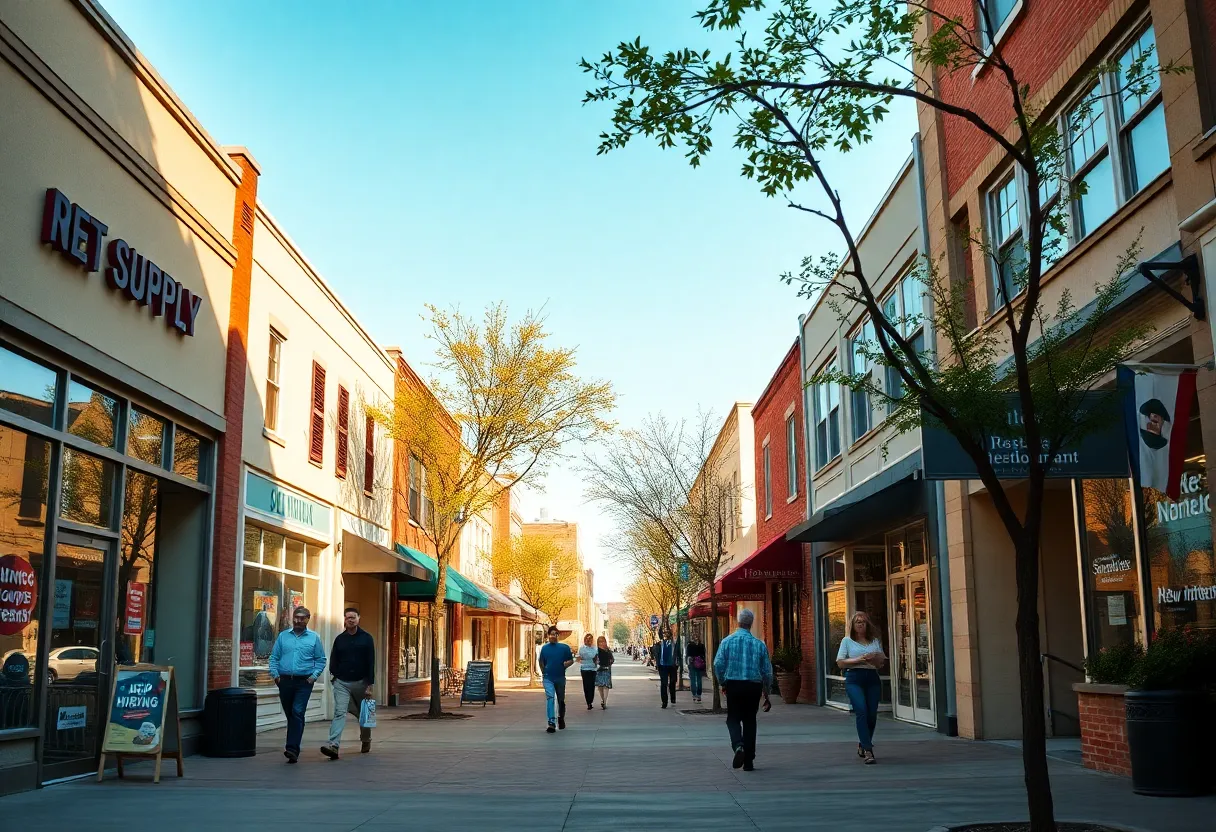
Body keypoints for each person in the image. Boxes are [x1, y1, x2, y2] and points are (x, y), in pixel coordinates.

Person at [713, 608, 772, 772]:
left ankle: (738, 745)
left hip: (734, 685)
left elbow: (718, 664)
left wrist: (723, 682)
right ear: (751, 623)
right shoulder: (759, 644)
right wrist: (767, 691)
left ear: (737, 622)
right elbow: (767, 671)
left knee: (732, 719)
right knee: (750, 721)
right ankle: (749, 761)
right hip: (753, 686)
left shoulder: (727, 642)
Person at [269, 606, 327, 764]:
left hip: (304, 682)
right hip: (285, 680)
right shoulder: (283, 637)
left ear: (308, 619)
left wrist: (313, 677)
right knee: (292, 714)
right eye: (296, 617)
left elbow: (321, 659)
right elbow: (274, 657)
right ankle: (293, 744)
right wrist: (276, 676)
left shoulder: (314, 638)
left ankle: (292, 749)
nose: (298, 620)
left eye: (302, 618)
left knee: (297, 711)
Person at [321, 607, 375, 760]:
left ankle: (366, 740)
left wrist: (370, 684)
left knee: (364, 714)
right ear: (344, 619)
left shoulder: (367, 638)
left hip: (362, 682)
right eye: (347, 617)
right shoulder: (340, 639)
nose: (350, 620)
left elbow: (371, 662)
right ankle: (334, 745)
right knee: (339, 712)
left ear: (359, 618)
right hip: (342, 682)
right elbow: (334, 659)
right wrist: (335, 676)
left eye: (353, 617)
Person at [837, 611, 887, 765]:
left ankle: (862, 743)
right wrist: (859, 659)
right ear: (853, 625)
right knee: (862, 711)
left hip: (872, 678)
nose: (860, 624)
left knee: (872, 714)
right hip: (854, 678)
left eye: (863, 622)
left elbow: (882, 663)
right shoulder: (847, 641)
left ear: (867, 624)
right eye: (857, 622)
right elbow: (840, 662)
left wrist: (875, 659)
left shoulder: (874, 641)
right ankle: (868, 750)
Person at [537, 626, 574, 733]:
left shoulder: (564, 648)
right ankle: (551, 722)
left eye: (555, 634)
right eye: (551, 634)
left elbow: (571, 660)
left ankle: (561, 717)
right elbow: (541, 662)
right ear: (548, 635)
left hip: (560, 678)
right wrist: (544, 672)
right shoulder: (545, 648)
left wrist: (566, 664)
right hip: (548, 678)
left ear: (558, 636)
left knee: (561, 699)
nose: (553, 636)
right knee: (550, 698)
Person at [651, 628, 679, 708]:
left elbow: (678, 653)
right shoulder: (659, 644)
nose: (665, 636)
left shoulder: (674, 643)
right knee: (664, 684)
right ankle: (664, 702)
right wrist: (657, 663)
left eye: (667, 634)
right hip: (662, 666)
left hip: (672, 666)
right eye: (664, 634)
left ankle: (673, 697)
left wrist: (678, 663)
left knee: (673, 682)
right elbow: (655, 653)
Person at [577, 633, 598, 710]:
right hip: (584, 669)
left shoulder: (595, 648)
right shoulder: (582, 648)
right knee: (586, 686)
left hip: (593, 669)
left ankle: (591, 700)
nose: (588, 640)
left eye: (590, 639)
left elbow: (595, 657)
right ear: (585, 640)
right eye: (587, 639)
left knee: (592, 686)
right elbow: (580, 657)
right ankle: (588, 702)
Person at [686, 635, 707, 704]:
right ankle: (699, 695)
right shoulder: (702, 645)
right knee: (699, 679)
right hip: (699, 664)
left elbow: (687, 655)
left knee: (693, 679)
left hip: (692, 663)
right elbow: (704, 655)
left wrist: (688, 663)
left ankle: (694, 694)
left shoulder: (689, 645)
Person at [594, 635, 614, 708]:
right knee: (600, 686)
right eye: (600, 642)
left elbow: (612, 659)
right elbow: (594, 660)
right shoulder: (596, 650)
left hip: (606, 669)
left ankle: (604, 702)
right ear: (598, 643)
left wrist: (610, 662)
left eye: (603, 641)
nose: (602, 643)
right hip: (599, 670)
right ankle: (602, 699)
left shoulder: (608, 650)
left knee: (606, 686)